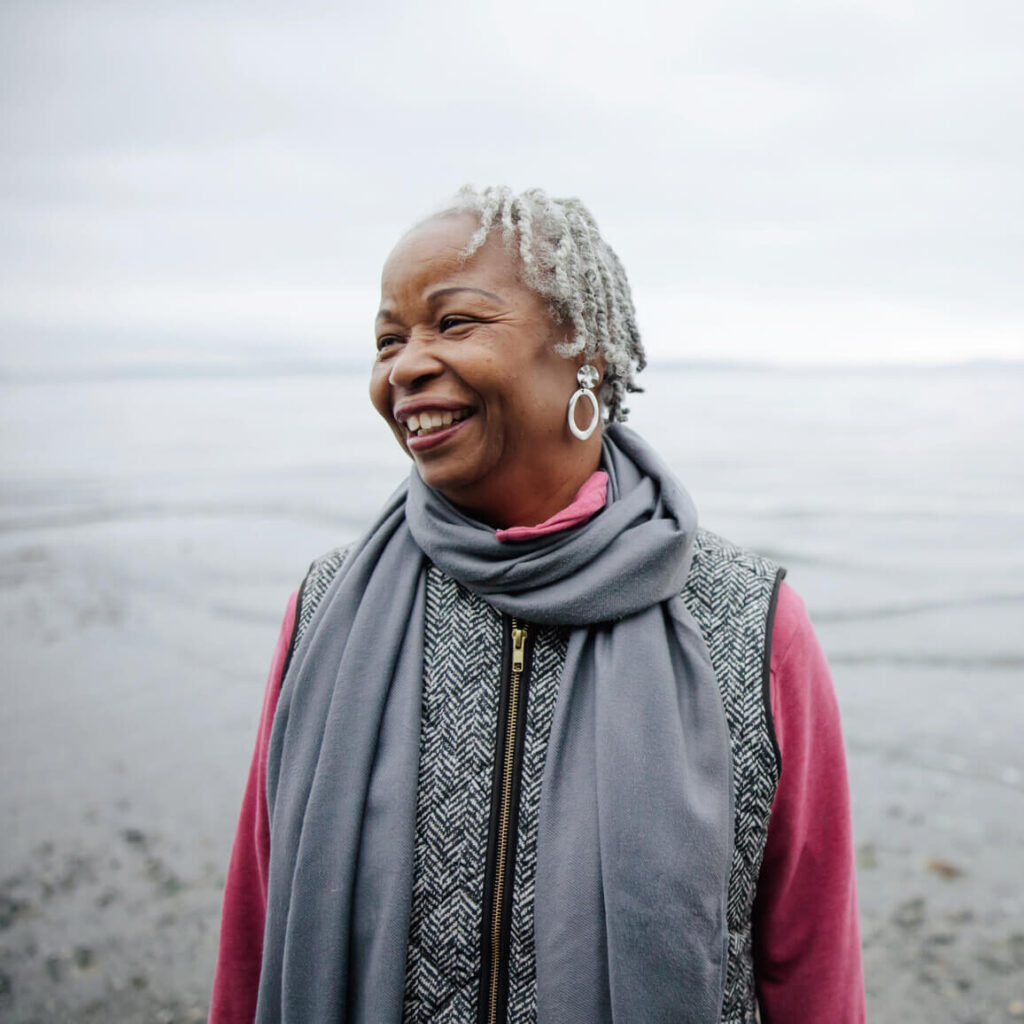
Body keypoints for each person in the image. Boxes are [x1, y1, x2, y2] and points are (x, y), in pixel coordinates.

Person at [210, 186, 865, 1024]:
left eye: (455, 324)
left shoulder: (750, 622)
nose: (405, 365)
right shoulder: (326, 607)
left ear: (582, 349)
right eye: (388, 339)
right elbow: (257, 925)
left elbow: (810, 955)